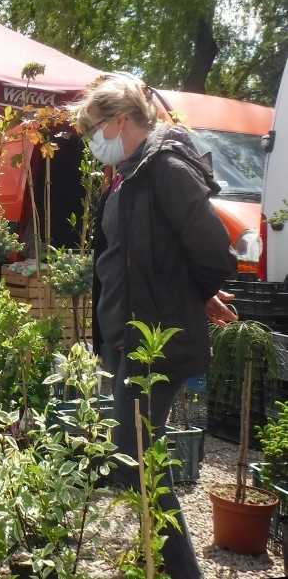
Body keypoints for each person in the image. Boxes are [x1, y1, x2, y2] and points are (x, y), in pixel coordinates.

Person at [68, 72, 237, 579]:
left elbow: (210, 245)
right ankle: (163, 561)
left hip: (155, 341)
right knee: (137, 455)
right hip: (129, 334)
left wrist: (195, 293)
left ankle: (181, 569)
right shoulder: (131, 170)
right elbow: (145, 252)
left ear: (121, 120)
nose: (92, 142)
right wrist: (193, 293)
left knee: (136, 454)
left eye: (94, 129)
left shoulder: (164, 165)